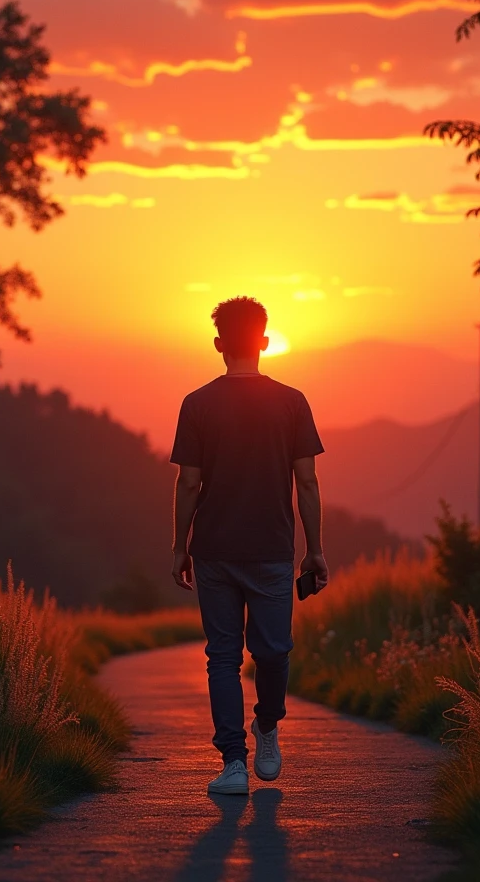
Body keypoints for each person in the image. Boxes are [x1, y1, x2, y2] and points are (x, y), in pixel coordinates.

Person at [170, 296, 328, 796]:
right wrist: (315, 548)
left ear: (219, 345)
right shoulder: (291, 401)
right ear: (263, 340)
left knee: (231, 657)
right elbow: (307, 482)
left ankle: (258, 735)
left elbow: (188, 484)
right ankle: (240, 754)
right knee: (269, 652)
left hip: (215, 547)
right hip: (268, 548)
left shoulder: (197, 404)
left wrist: (180, 546)